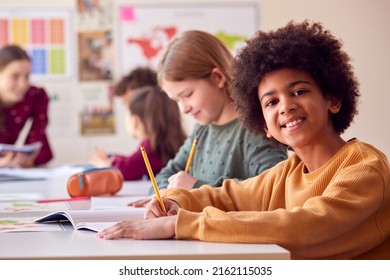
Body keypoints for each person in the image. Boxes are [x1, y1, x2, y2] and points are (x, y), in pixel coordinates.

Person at [97, 21, 390, 260]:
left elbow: (308, 225)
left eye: (299, 91)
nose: (285, 106)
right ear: (263, 124)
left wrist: (179, 223)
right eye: (271, 101)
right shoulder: (287, 173)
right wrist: (175, 200)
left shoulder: (365, 168)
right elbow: (229, 196)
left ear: (333, 98)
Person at [130, 30, 286, 204]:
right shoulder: (202, 128)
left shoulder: (258, 129)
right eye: (176, 100)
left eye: (188, 94)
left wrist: (197, 188)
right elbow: (166, 175)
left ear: (218, 77)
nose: (183, 109)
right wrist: (165, 194)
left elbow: (272, 192)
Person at [90, 85, 187, 180]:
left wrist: (106, 164)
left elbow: (125, 170)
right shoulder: (170, 142)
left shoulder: (152, 147)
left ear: (134, 120)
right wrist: (112, 158)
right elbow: (131, 161)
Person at [0, 45, 53, 167]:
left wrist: (29, 160)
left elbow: (38, 140)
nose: (23, 84)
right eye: (15, 76)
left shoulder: (35, 96)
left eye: (27, 76)